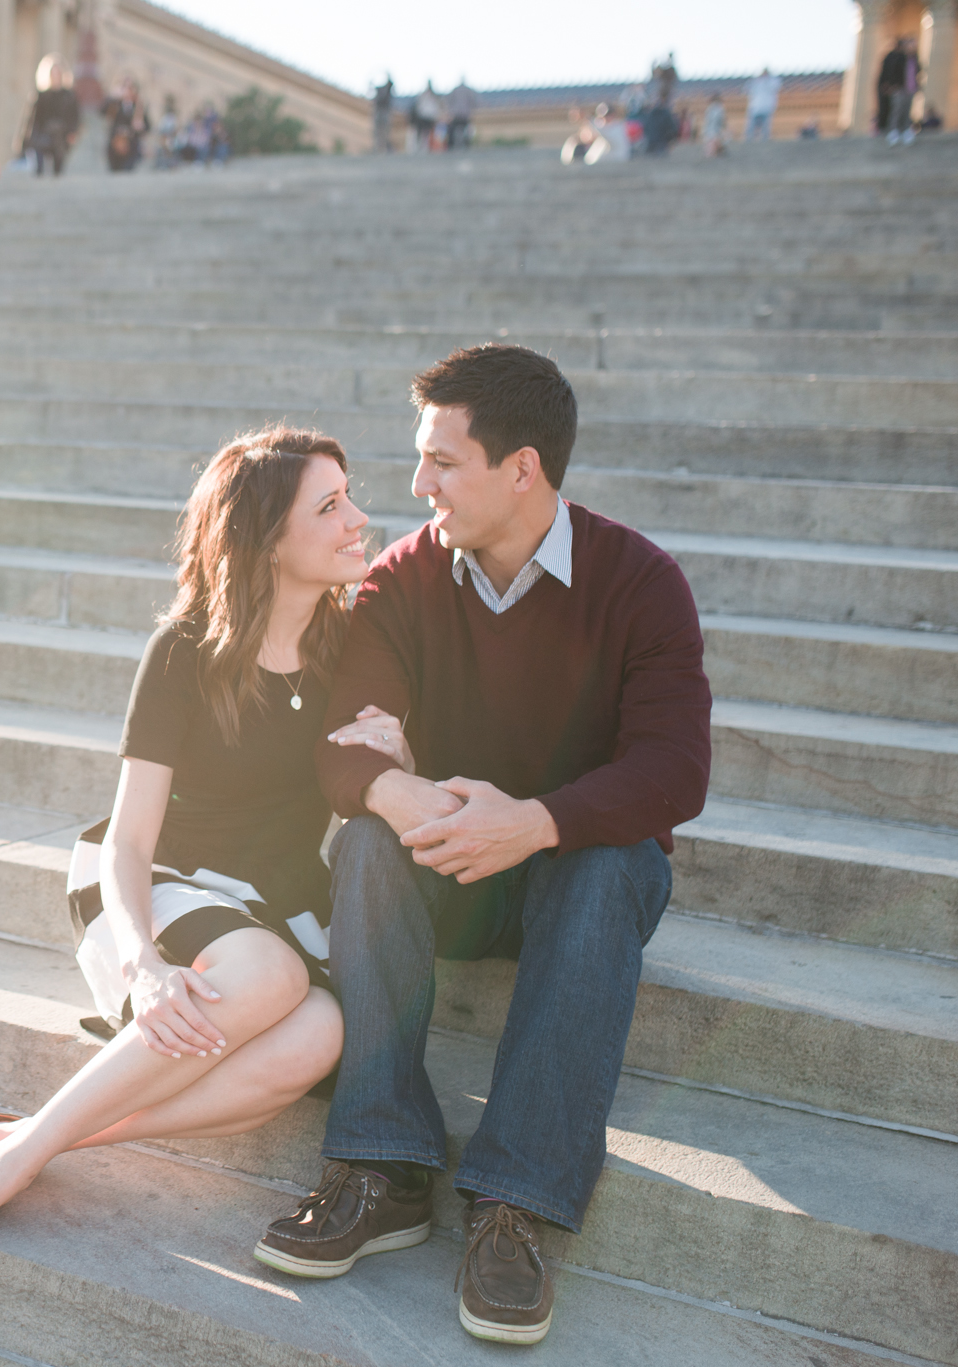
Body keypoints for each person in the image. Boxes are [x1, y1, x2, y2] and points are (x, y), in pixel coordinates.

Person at [251, 345, 710, 1348]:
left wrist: (538, 820)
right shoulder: (402, 579)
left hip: (574, 881)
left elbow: (676, 770)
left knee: (607, 861)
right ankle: (381, 1159)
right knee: (369, 841)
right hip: (453, 870)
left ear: (521, 468)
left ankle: (514, 1203)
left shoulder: (638, 582)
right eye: (419, 461)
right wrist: (406, 789)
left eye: (440, 463)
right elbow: (340, 753)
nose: (415, 486)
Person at [0, 428, 378, 1257]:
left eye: (348, 496)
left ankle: (11, 1139)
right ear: (265, 538)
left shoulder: (352, 644)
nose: (357, 519)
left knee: (323, 1032)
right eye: (329, 506)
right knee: (271, 973)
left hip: (276, 902)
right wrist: (144, 962)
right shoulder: (187, 649)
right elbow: (129, 836)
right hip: (162, 880)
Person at [22, 55, 81, 177]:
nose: (55, 77)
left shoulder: (69, 96)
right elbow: (33, 118)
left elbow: (75, 117)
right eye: (53, 74)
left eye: (58, 74)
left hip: (61, 135)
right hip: (43, 133)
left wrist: (73, 132)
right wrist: (26, 139)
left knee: (58, 165)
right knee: (39, 163)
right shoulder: (41, 95)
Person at [103, 78, 147, 172]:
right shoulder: (116, 104)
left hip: (131, 142)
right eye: (125, 88)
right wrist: (112, 98)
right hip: (116, 141)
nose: (128, 92)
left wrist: (141, 126)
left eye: (130, 89)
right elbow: (106, 113)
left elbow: (147, 125)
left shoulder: (138, 107)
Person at [879, 37, 918, 144]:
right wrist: (891, 85)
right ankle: (893, 131)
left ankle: (905, 130)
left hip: (910, 88)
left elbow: (917, 71)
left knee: (906, 110)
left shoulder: (914, 58)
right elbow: (891, 72)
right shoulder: (898, 57)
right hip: (898, 88)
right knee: (896, 110)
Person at [743, 66, 780, 141]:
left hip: (767, 107)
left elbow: (776, 86)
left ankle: (765, 138)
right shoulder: (756, 81)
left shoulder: (772, 81)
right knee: (751, 125)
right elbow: (746, 89)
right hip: (755, 107)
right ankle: (749, 138)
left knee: (765, 125)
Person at [445, 79, 476, 151]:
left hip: (456, 114)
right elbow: (473, 101)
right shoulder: (468, 90)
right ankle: (466, 144)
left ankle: (451, 146)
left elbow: (449, 100)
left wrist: (450, 110)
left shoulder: (455, 90)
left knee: (453, 129)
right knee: (466, 130)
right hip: (465, 114)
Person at [411, 82, 442, 153]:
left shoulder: (425, 95)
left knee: (425, 132)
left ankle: (424, 147)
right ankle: (423, 147)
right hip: (426, 116)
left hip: (426, 116)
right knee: (425, 132)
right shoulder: (431, 95)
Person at [371, 75, 394, 153]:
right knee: (378, 131)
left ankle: (383, 148)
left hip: (384, 113)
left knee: (384, 131)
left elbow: (390, 84)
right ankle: (378, 147)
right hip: (379, 113)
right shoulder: (380, 90)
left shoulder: (387, 90)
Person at [701, 91, 727, 156]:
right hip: (713, 130)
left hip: (713, 130)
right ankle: (714, 152)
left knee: (712, 143)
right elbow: (720, 121)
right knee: (712, 143)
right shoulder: (717, 109)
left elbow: (719, 121)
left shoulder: (714, 109)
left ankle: (713, 152)